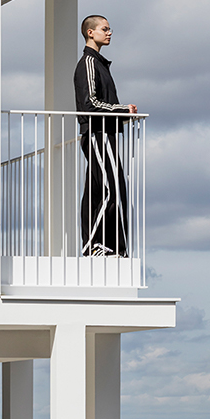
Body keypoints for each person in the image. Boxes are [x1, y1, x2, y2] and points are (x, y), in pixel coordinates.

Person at [73, 16, 138, 257]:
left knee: (99, 190)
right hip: (98, 135)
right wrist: (122, 110)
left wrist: (121, 114)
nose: (109, 33)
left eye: (109, 29)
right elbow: (89, 104)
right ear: (90, 33)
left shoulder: (99, 64)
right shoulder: (89, 63)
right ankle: (98, 246)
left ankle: (104, 246)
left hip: (104, 134)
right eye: (104, 29)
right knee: (112, 189)